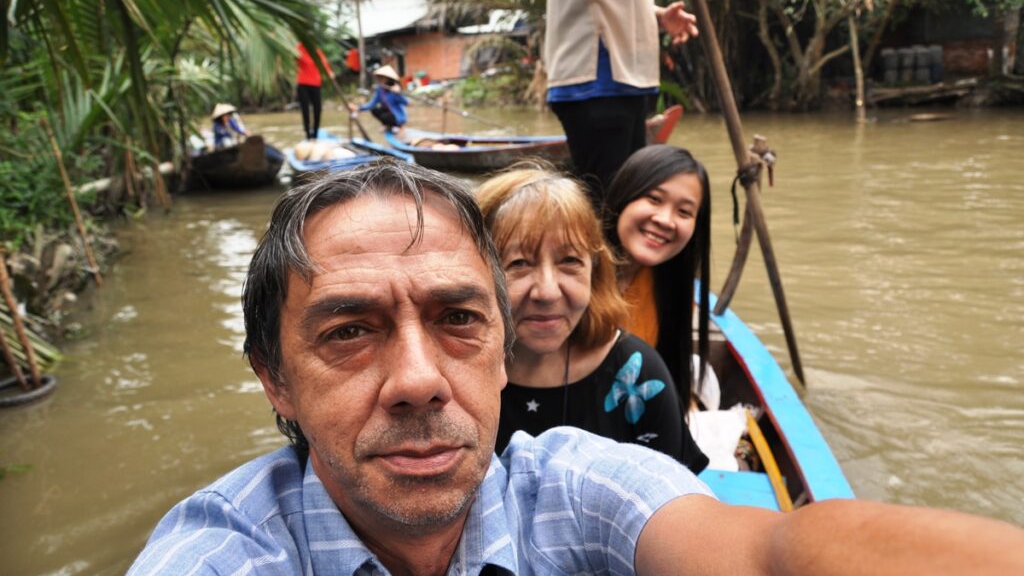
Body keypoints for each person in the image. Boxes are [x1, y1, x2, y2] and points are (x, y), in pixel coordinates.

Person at [129, 160, 1024, 575]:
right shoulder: (223, 552)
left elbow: (766, 553)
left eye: (457, 321)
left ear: (499, 345)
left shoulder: (578, 470)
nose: (418, 379)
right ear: (273, 380)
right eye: (349, 332)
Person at [476, 167, 707, 471]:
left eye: (570, 261)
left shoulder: (637, 372)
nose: (547, 292)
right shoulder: (450, 371)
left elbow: (678, 503)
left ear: (594, 271)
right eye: (518, 263)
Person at [544, 0, 699, 205]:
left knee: (628, 197)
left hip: (623, 82)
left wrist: (657, 15)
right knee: (609, 205)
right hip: (599, 80)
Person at [606, 144, 712, 417]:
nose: (666, 220)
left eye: (684, 212)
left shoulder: (673, 292)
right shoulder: (572, 274)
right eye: (654, 199)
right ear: (624, 196)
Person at [350, 65, 409, 134]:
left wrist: (398, 94)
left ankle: (398, 126)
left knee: (386, 116)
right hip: (388, 113)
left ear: (387, 78)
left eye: (381, 77)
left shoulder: (395, 89)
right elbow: (372, 103)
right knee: (374, 109)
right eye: (379, 77)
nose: (379, 79)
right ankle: (387, 125)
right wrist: (359, 109)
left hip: (397, 116)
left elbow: (406, 102)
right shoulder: (380, 89)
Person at [296, 42, 335, 140]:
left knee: (318, 109)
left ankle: (315, 134)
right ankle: (308, 135)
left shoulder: (317, 51)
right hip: (303, 83)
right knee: (305, 110)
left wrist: (330, 72)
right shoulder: (299, 48)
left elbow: (324, 63)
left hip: (315, 84)